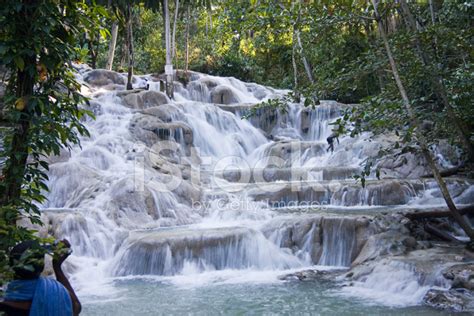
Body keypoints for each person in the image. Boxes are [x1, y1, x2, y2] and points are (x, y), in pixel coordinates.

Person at [0, 239, 81, 316]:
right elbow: (76, 307)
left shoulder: (5, 304)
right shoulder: (56, 293)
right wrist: (57, 267)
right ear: (42, 266)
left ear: (11, 266)